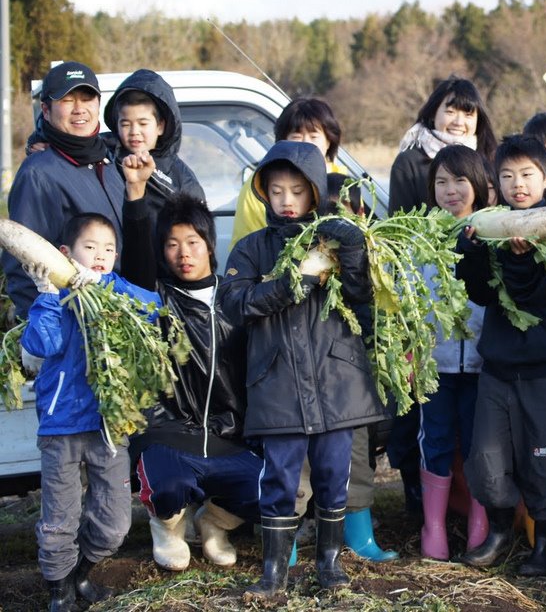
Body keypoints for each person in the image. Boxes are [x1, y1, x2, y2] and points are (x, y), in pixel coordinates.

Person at [220, 141, 387, 594]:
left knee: (335, 476)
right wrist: (287, 287)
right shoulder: (251, 249)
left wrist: (352, 253)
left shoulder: (335, 238)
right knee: (280, 478)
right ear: (265, 194)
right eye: (276, 191)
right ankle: (274, 570)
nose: (287, 201)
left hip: (338, 380)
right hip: (278, 383)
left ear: (315, 192)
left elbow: (362, 297)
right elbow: (233, 304)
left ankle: (329, 564)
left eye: (296, 191)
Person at [118, 154, 261, 571]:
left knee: (274, 488)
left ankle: (214, 524)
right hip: (167, 430)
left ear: (210, 245)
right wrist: (135, 192)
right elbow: (137, 262)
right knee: (168, 482)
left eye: (193, 242)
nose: (184, 253)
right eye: (172, 244)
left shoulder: (234, 296)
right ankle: (169, 527)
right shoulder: (155, 298)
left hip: (227, 432)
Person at [21, 213, 161, 611]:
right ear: (65, 254)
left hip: (108, 425)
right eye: (90, 247)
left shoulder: (116, 291)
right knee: (59, 518)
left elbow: (153, 308)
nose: (101, 255)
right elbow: (40, 345)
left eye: (109, 249)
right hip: (61, 427)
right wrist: (47, 292)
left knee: (115, 521)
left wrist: (103, 287)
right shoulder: (53, 300)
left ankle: (81, 573)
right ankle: (59, 590)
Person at [456, 134, 546, 577]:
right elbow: (483, 295)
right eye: (507, 176)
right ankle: (500, 532)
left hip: (541, 368)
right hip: (498, 368)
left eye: (526, 175)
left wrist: (523, 263)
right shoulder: (493, 228)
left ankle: (545, 546)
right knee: (486, 458)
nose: (517, 184)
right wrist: (470, 256)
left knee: (544, 459)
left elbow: (540, 297)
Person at [3, 62, 125, 319]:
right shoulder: (38, 173)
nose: (79, 108)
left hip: (126, 313)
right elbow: (23, 266)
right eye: (67, 100)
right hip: (81, 324)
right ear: (46, 110)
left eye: (87, 98)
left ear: (98, 104)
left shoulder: (114, 160)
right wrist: (41, 330)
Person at [418, 145, 490, 561]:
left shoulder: (490, 230)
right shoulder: (419, 235)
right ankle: (434, 526)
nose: (450, 191)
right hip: (437, 362)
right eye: (441, 182)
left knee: (480, 444)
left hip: (483, 362)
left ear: (478, 185)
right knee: (438, 440)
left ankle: (479, 526)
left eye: (460, 181)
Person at [230, 97, 345, 249]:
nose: (305, 143)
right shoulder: (257, 185)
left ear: (329, 140)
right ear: (282, 141)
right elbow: (244, 245)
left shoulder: (345, 184)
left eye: (314, 136)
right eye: (296, 137)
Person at [103, 69, 206, 220]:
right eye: (125, 124)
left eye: (143, 123)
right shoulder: (105, 157)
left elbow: (199, 231)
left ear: (160, 126)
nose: (134, 132)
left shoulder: (181, 178)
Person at [388, 76, 498, 215]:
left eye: (468, 114)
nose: (459, 122)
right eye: (450, 112)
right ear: (433, 114)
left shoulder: (491, 157)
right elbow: (399, 222)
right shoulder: (409, 162)